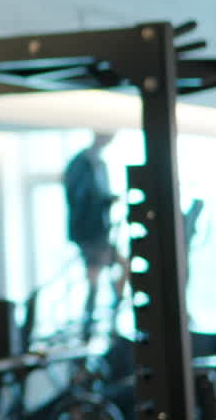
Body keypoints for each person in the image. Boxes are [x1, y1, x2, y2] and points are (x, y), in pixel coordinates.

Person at [62, 132, 128, 341]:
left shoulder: (95, 161)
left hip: (98, 230)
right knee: (95, 277)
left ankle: (104, 321)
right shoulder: (83, 162)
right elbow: (81, 196)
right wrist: (106, 200)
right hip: (89, 232)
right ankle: (89, 326)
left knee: (114, 271)